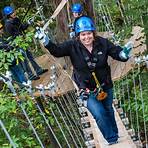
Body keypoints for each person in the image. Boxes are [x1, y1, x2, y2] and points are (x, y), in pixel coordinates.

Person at [35, 16, 133, 145]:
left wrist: (123, 54)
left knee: (108, 110)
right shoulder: (72, 46)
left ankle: (114, 133)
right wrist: (46, 41)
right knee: (99, 113)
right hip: (86, 89)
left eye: (89, 34)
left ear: (93, 33)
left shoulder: (103, 43)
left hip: (105, 85)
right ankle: (112, 139)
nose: (86, 37)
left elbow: (116, 53)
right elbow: (57, 51)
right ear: (78, 35)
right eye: (83, 34)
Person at [3, 6, 48, 80]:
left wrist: (28, 23)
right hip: (17, 44)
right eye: (12, 13)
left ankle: (38, 70)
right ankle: (30, 75)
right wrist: (18, 35)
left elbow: (22, 28)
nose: (14, 13)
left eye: (13, 12)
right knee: (25, 60)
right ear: (8, 15)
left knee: (30, 56)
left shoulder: (16, 19)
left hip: (23, 41)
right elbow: (12, 36)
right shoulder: (8, 25)